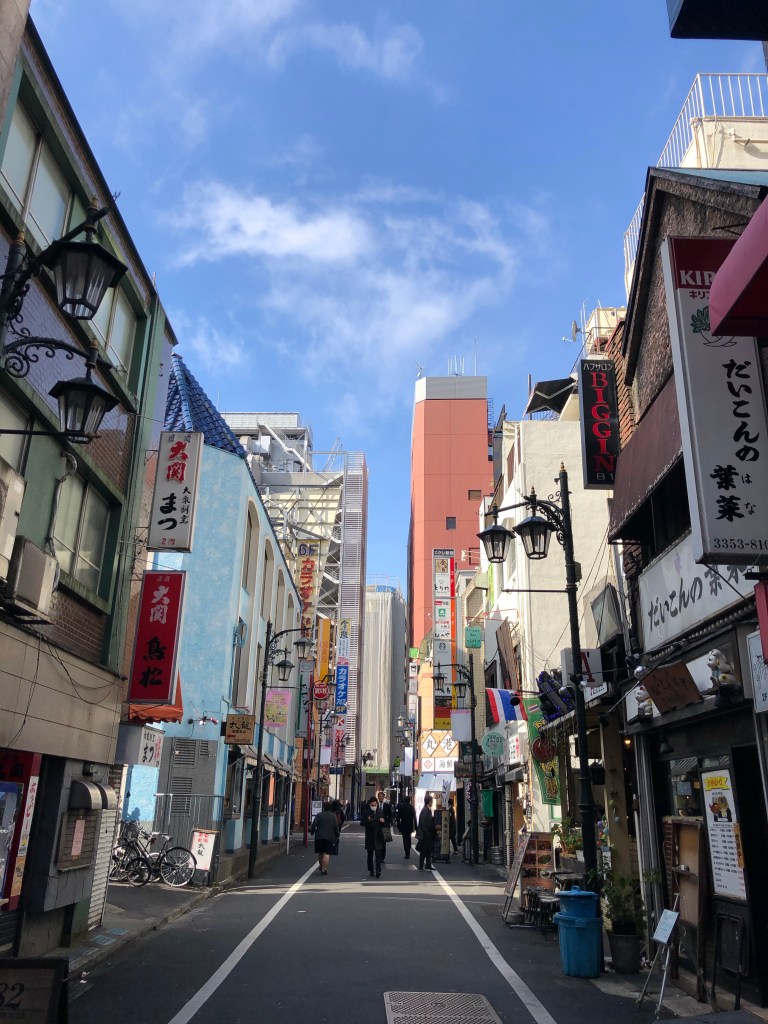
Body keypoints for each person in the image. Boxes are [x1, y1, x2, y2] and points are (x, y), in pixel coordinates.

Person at [310, 798, 340, 875]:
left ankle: (321, 865)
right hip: (329, 837)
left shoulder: (319, 815)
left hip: (319, 837)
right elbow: (336, 827)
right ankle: (324, 869)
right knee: (326, 853)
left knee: (320, 852)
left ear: (323, 807)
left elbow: (314, 824)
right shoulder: (333, 816)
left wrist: (312, 831)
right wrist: (337, 834)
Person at [361, 795, 386, 878]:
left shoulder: (379, 812)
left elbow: (384, 824)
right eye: (372, 805)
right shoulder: (366, 812)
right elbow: (362, 823)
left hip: (378, 836)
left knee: (378, 854)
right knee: (370, 854)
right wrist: (368, 819)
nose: (374, 806)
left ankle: (378, 870)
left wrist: (383, 821)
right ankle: (371, 870)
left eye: (375, 805)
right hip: (370, 836)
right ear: (370, 805)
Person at [417, 794, 436, 871]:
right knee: (424, 850)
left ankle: (428, 865)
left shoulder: (427, 809)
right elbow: (422, 822)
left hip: (428, 833)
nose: (432, 803)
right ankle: (421, 866)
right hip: (426, 834)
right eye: (432, 801)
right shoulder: (425, 810)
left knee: (428, 850)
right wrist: (426, 831)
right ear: (429, 802)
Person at [377, 790, 393, 864]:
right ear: (378, 797)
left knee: (383, 842)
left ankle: (382, 857)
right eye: (379, 796)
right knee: (377, 842)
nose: (381, 798)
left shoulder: (387, 805)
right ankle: (378, 857)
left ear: (383, 797)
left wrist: (388, 823)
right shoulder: (376, 805)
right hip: (377, 826)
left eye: (382, 796)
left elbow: (390, 815)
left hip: (384, 826)